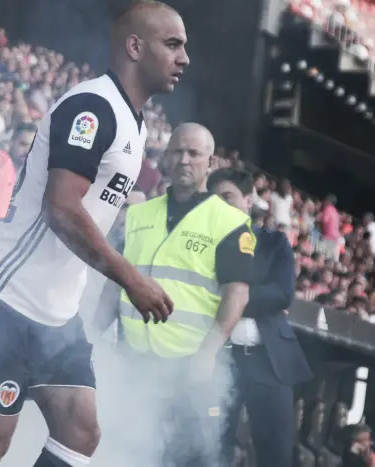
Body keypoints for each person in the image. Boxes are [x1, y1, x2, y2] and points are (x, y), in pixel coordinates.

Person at [0, 2, 189, 467]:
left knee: (80, 430)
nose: (184, 58)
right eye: (173, 44)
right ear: (135, 46)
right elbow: (61, 208)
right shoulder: (93, 108)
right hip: (6, 296)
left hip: (56, 313)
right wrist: (131, 279)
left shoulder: (134, 124)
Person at [94, 123, 255, 466]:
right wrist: (92, 336)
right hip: (133, 359)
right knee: (127, 448)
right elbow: (114, 282)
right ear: (165, 158)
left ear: (209, 163)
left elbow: (236, 295)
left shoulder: (229, 222)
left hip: (188, 364)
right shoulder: (138, 215)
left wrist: (208, 353)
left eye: (194, 154)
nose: (184, 160)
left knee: (184, 456)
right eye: (178, 151)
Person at [207, 168, 312, 467]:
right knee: (211, 444)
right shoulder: (201, 243)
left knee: (276, 451)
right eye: (213, 199)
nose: (220, 205)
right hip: (218, 358)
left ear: (248, 199)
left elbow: (282, 294)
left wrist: (231, 298)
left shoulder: (273, 242)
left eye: (227, 196)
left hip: (269, 361)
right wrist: (247, 296)